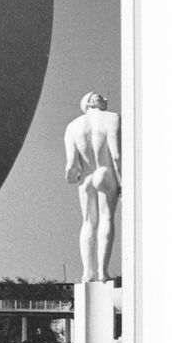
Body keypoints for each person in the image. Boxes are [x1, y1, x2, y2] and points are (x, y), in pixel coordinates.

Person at [64, 91, 122, 283]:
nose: (106, 99)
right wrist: (123, 182)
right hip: (105, 173)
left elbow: (72, 168)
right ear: (89, 102)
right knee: (106, 219)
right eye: (100, 97)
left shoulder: (72, 127)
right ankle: (102, 272)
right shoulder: (112, 118)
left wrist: (75, 176)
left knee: (88, 222)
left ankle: (87, 273)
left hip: (86, 179)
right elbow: (116, 155)